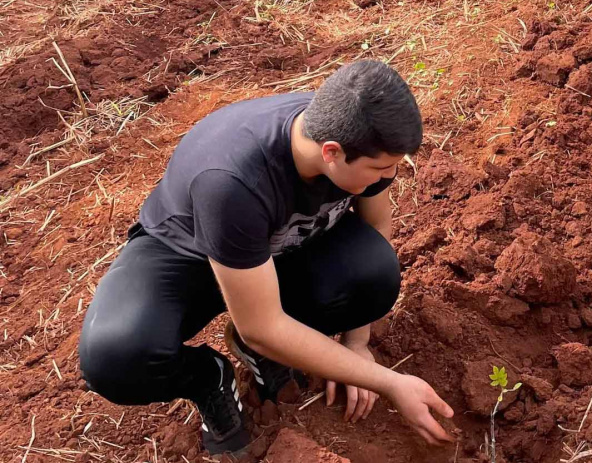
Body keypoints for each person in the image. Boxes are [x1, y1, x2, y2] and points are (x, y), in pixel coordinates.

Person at [78, 60, 454, 454]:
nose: (388, 176)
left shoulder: (358, 130)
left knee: (373, 274)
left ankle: (259, 347)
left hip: (277, 250)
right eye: (381, 169)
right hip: (189, 256)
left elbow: (376, 229)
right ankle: (208, 377)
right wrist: (390, 382)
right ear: (332, 152)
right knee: (117, 359)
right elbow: (261, 323)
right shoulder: (233, 182)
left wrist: (357, 343)